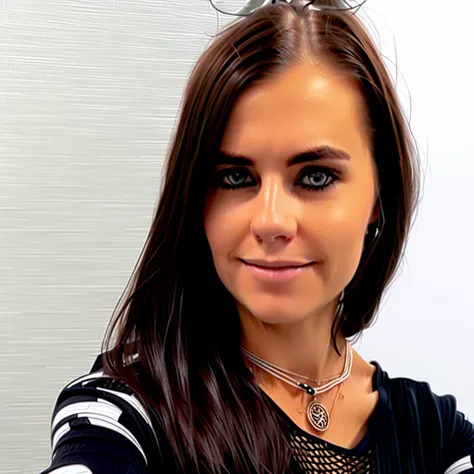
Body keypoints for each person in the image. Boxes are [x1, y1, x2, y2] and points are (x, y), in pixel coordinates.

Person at [39, 1, 474, 473]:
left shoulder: (437, 432)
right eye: (234, 178)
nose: (270, 222)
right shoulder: (125, 407)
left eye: (315, 177)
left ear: (377, 197)